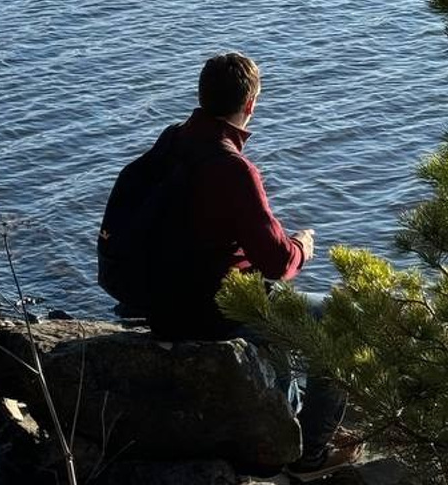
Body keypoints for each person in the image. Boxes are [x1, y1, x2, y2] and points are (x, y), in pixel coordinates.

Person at [133, 51, 356, 481]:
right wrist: (303, 246)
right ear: (250, 104)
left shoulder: (172, 143)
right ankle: (308, 455)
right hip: (213, 309)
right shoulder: (233, 169)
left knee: (280, 337)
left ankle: (284, 426)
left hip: (162, 303)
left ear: (201, 96)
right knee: (341, 319)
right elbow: (277, 262)